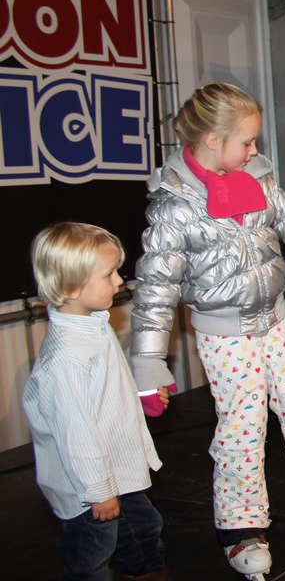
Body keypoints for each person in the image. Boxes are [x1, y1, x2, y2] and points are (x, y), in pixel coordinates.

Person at [129, 82, 285, 581]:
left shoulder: (259, 179)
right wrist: (148, 362)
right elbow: (156, 285)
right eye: (246, 141)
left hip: (278, 319)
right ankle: (240, 525)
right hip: (226, 334)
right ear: (212, 140)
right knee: (243, 428)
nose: (254, 149)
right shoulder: (174, 205)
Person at [23, 223, 170, 581]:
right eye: (108, 275)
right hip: (90, 487)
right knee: (92, 552)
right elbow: (76, 435)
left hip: (118, 468)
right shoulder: (66, 359)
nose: (119, 281)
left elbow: (106, 386)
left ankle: (147, 573)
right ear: (71, 288)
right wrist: (99, 491)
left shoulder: (94, 326)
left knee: (143, 530)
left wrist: (139, 393)